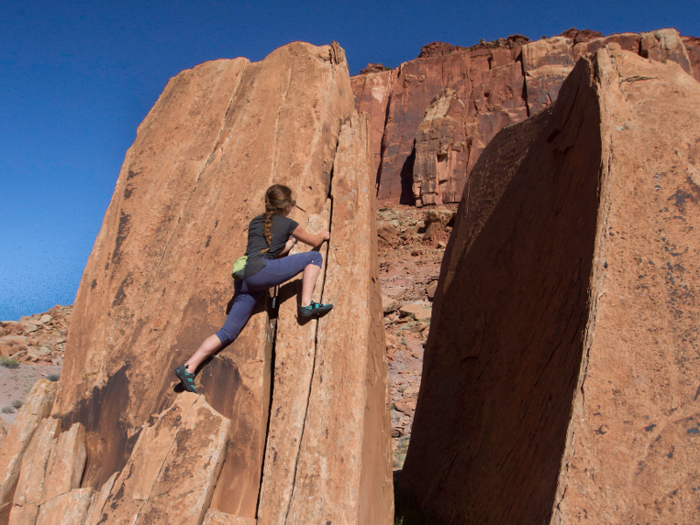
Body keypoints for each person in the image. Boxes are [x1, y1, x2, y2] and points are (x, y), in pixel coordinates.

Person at [174, 184, 332, 393]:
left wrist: (290, 244)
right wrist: (323, 235)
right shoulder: (288, 223)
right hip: (262, 273)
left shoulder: (256, 222)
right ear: (288, 205)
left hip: (245, 278)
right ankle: (306, 304)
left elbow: (269, 253)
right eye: (292, 203)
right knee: (314, 256)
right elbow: (313, 241)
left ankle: (189, 367)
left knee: (228, 332)